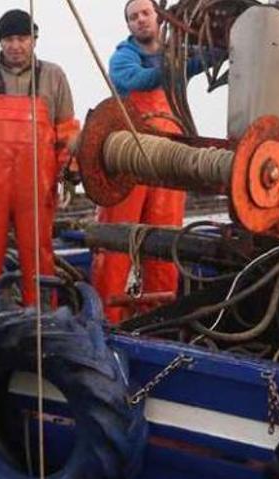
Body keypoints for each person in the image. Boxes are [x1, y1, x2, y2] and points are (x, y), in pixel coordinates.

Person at [0, 9, 80, 305]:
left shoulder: (54, 76)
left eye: (22, 38)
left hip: (36, 186)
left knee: (39, 256)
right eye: (9, 39)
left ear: (34, 40)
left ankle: (44, 319)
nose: (16, 45)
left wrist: (70, 175)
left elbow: (67, 134)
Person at [93, 0, 200, 323]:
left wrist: (217, 52)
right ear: (128, 26)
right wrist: (181, 64)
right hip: (128, 163)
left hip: (167, 163)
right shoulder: (122, 58)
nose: (140, 20)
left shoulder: (176, 56)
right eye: (133, 17)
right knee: (116, 243)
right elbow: (138, 81)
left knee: (166, 244)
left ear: (158, 17)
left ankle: (159, 319)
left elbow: (202, 62)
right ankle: (107, 318)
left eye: (145, 14)